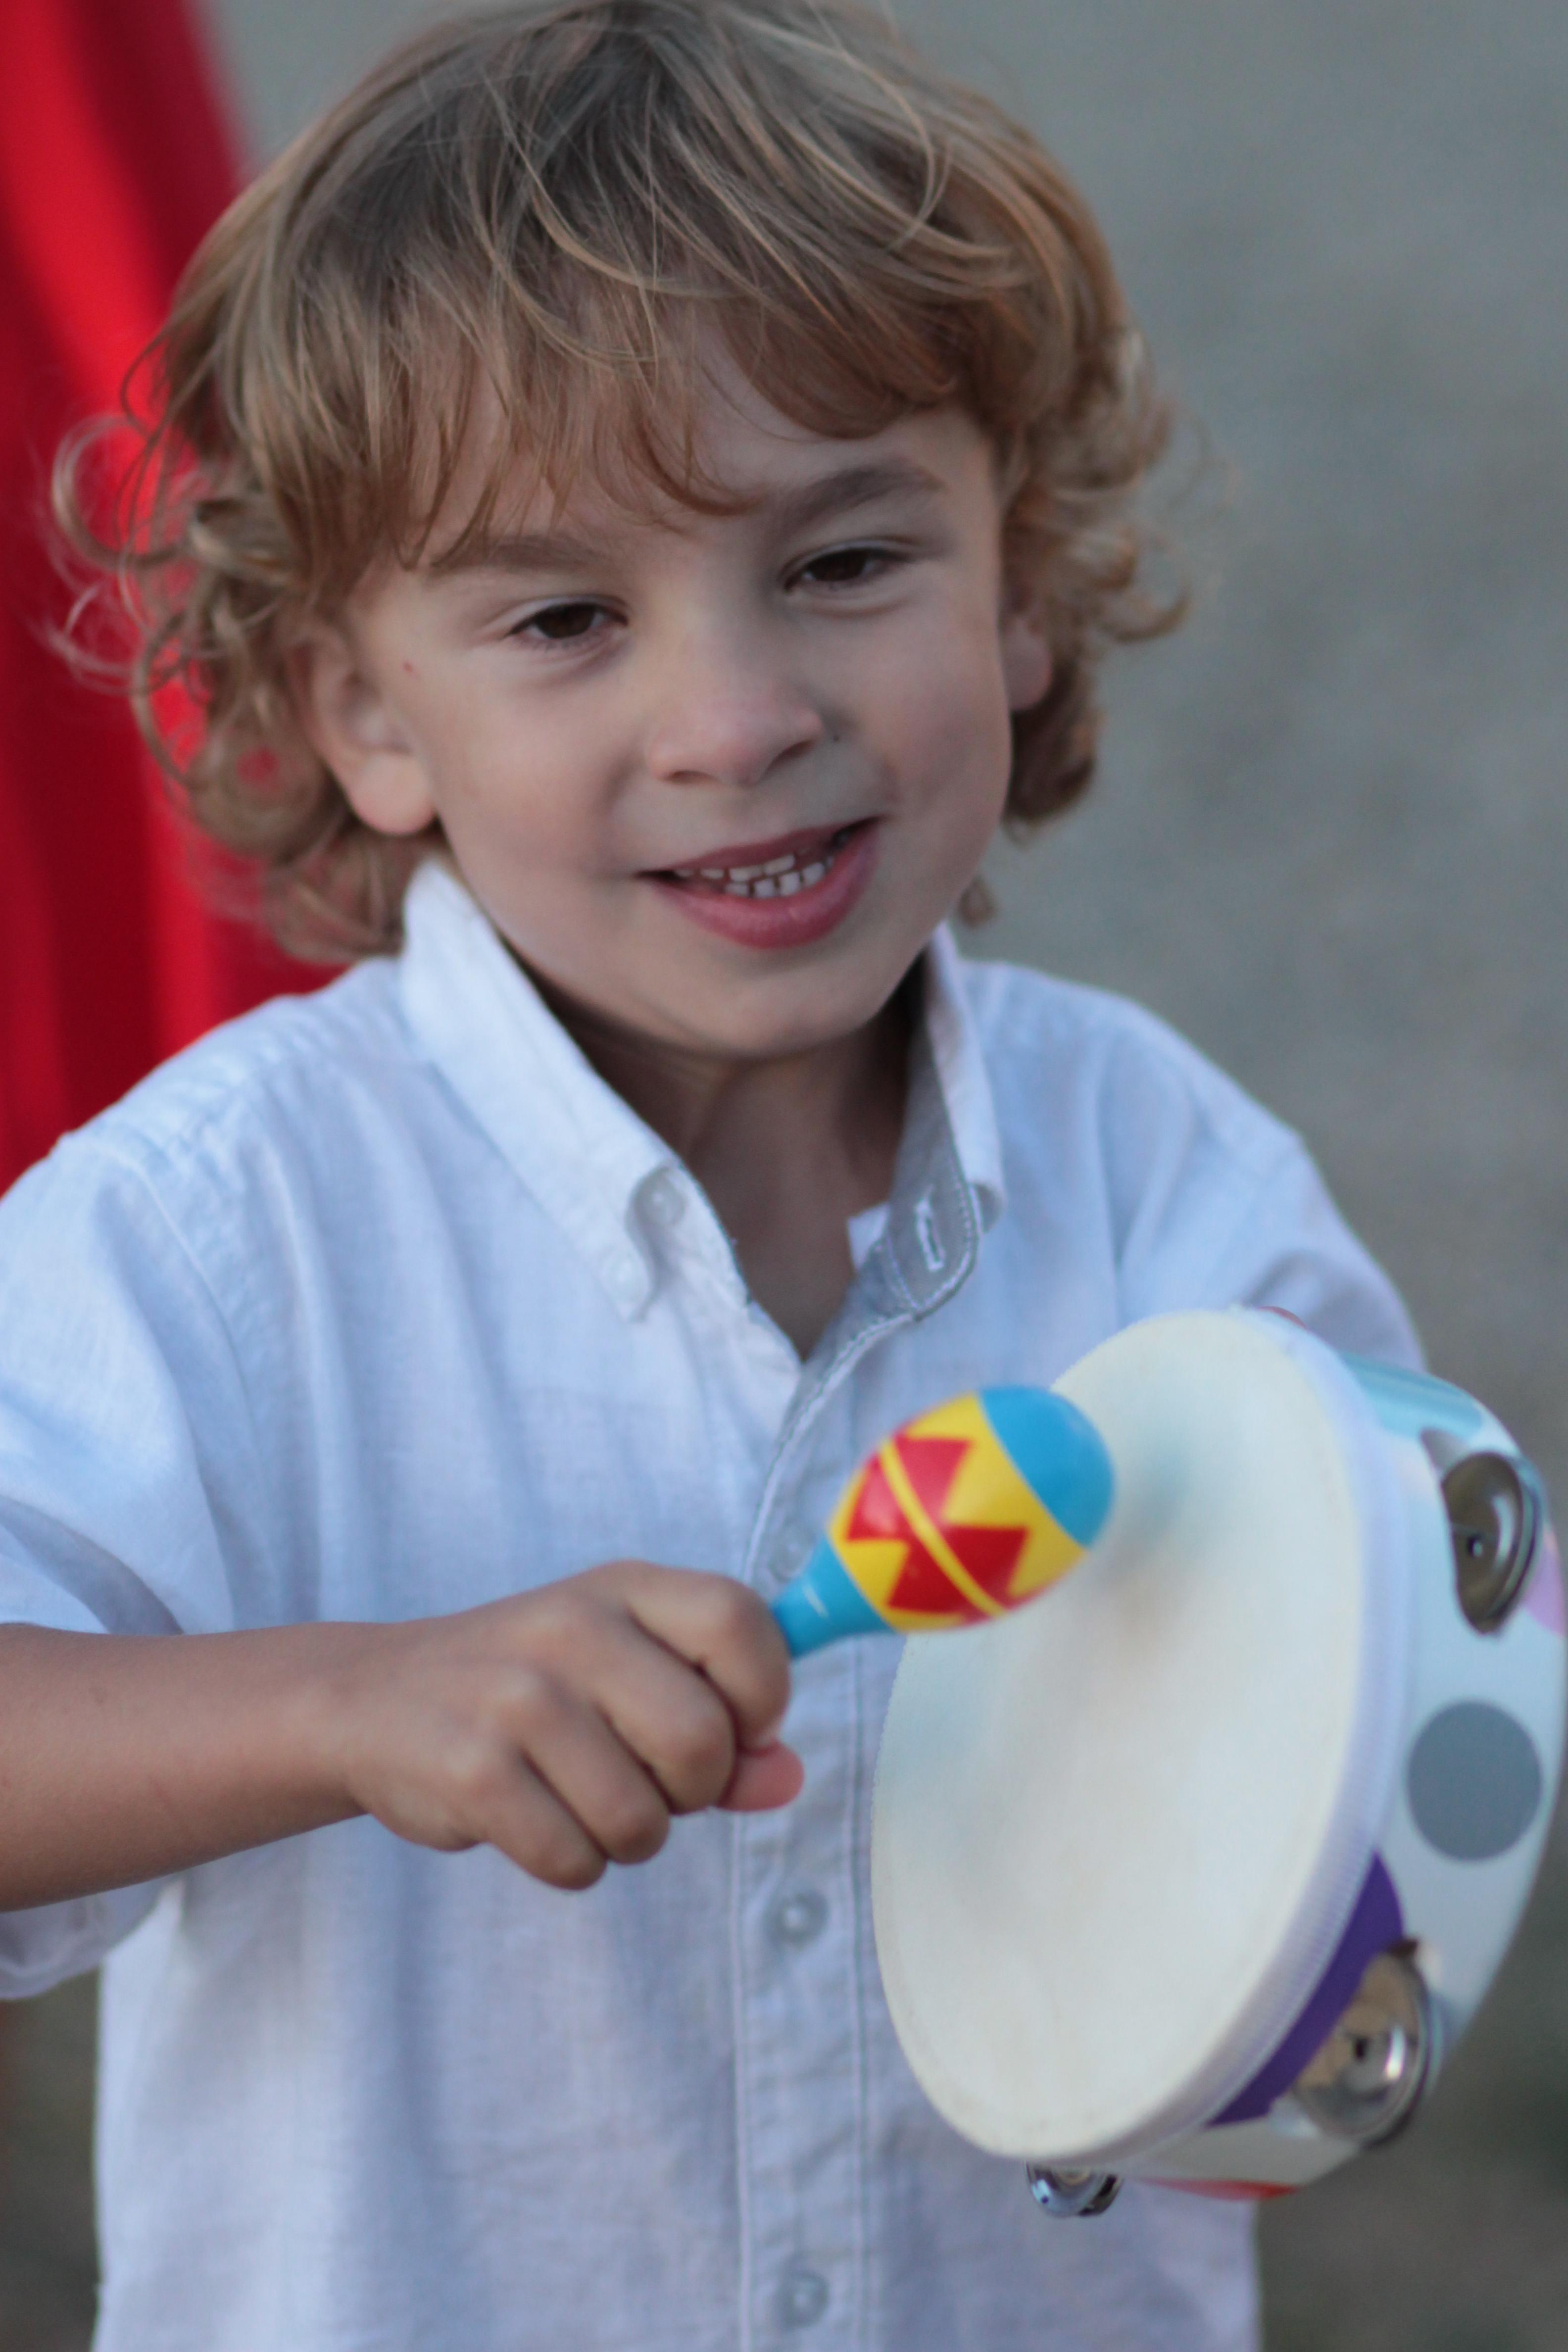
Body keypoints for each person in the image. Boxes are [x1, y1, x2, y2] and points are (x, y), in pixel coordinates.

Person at [0, 3, 1418, 2345]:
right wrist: (341, 1707)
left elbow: (1403, 1699)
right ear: (363, 713)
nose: (740, 720)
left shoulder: (1166, 1179)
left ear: (1017, 586)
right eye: (566, 619)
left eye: (846, 560)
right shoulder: (220, 1234)